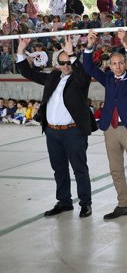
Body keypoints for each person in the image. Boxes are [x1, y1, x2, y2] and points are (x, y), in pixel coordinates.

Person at [16, 35, 94, 218]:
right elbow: (28, 73)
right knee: (59, 168)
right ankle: (64, 201)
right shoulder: (53, 77)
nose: (65, 66)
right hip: (52, 132)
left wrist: (72, 53)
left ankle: (85, 203)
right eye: (62, 62)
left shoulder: (80, 80)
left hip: (73, 132)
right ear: (56, 63)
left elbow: (83, 75)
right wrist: (20, 50)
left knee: (79, 169)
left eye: (68, 62)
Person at [82, 29, 127, 223]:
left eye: (121, 63)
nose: (118, 66)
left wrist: (126, 44)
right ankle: (123, 205)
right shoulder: (108, 78)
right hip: (110, 129)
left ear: (125, 64)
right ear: (109, 66)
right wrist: (89, 45)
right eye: (114, 64)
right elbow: (88, 67)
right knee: (116, 169)